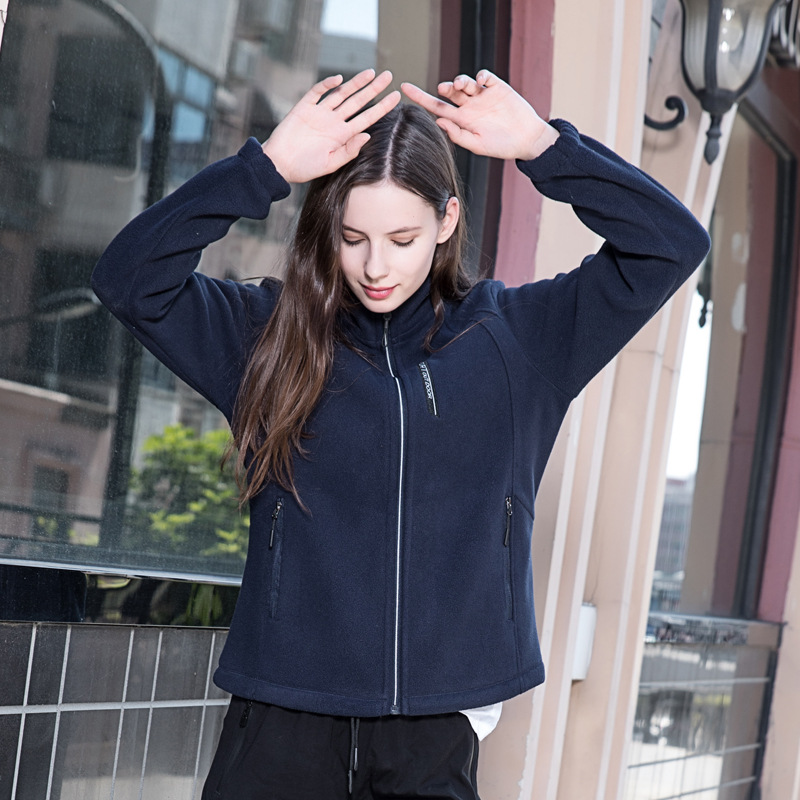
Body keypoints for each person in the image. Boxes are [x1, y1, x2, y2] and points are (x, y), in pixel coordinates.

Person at [92, 68, 710, 799]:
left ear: (447, 221)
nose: (376, 266)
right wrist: (266, 168)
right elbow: (129, 279)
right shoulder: (269, 337)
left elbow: (670, 244)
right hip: (282, 717)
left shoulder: (519, 342)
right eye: (352, 237)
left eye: (402, 237)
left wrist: (545, 147)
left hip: (432, 734)